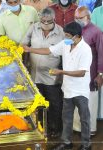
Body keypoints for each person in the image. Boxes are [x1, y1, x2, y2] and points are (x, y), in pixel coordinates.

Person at [23, 21, 92, 150]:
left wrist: (61, 72)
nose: (65, 38)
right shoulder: (65, 44)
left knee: (84, 119)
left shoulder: (85, 50)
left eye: (67, 36)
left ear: (76, 36)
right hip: (67, 89)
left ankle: (86, 144)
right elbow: (48, 50)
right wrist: (30, 49)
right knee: (66, 118)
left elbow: (82, 73)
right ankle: (66, 143)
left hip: (80, 90)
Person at [22, 8, 64, 138]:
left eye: (48, 21)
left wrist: (62, 73)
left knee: (54, 104)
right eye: (43, 21)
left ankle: (55, 129)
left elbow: (65, 54)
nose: (45, 23)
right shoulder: (33, 28)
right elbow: (23, 44)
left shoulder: (61, 32)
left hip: (52, 76)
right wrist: (24, 64)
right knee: (38, 103)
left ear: (54, 20)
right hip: (35, 75)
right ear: (39, 19)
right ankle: (40, 128)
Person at [74, 6, 103, 136]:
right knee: (76, 101)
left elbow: (101, 54)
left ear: (88, 18)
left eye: (80, 18)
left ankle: (90, 129)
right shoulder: (73, 30)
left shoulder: (96, 31)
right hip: (75, 73)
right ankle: (78, 128)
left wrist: (100, 74)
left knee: (90, 102)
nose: (78, 20)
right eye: (76, 18)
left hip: (91, 74)